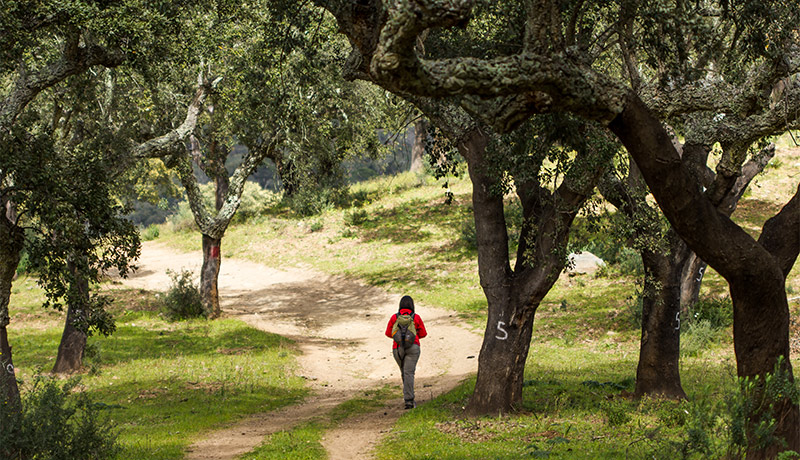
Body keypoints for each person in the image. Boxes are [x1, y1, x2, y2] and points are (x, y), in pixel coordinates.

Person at [385, 295, 427, 409]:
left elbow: (388, 333)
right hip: (413, 347)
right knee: (409, 373)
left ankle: (408, 396)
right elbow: (423, 334)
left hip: (397, 349)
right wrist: (412, 335)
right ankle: (409, 400)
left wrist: (400, 337)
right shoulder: (416, 317)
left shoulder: (394, 317)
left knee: (404, 372)